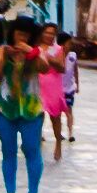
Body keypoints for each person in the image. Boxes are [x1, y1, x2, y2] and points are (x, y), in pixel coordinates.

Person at [0, 17, 51, 193]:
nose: (22, 37)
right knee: (8, 152)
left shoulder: (36, 53)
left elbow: (45, 67)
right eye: (19, 33)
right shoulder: (5, 51)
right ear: (13, 34)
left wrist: (30, 52)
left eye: (26, 34)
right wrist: (2, 53)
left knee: (31, 149)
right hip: (6, 109)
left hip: (31, 110)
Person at [39, 23, 76, 156]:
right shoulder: (35, 48)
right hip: (38, 84)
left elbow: (61, 67)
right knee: (37, 114)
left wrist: (50, 58)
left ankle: (58, 143)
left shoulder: (58, 49)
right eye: (46, 32)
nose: (49, 36)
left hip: (53, 85)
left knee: (55, 116)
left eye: (52, 33)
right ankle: (36, 140)